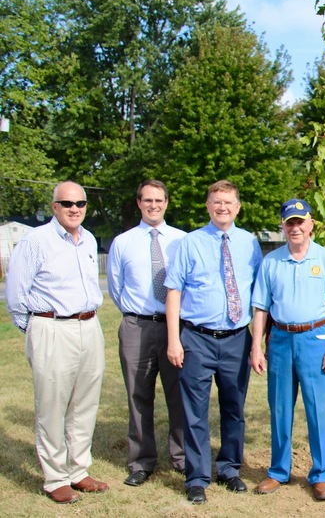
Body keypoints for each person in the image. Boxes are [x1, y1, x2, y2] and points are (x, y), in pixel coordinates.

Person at [5, 181, 108, 504]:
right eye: (67, 203)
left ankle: (78, 470)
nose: (74, 208)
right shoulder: (36, 241)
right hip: (51, 326)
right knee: (52, 404)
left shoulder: (88, 240)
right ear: (54, 207)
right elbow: (16, 295)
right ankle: (55, 478)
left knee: (84, 403)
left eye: (80, 203)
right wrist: (38, 330)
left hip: (89, 326)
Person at [165, 180, 262, 504]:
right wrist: (173, 340)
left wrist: (258, 342)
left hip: (236, 339)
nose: (222, 207)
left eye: (229, 202)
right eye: (216, 202)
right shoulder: (189, 243)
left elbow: (259, 296)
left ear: (238, 207)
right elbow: (174, 292)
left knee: (234, 409)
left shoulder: (250, 243)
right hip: (196, 339)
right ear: (208, 206)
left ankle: (230, 469)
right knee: (195, 412)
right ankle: (197, 477)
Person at [250, 198, 325, 501]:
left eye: (300, 222)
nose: (295, 228)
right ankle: (279, 471)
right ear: (282, 225)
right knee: (280, 408)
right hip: (280, 339)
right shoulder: (271, 261)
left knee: (319, 410)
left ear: (310, 225)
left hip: (317, 338)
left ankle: (322, 475)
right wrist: (256, 347)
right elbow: (260, 308)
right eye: (289, 222)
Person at [107, 179, 186, 486]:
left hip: (174, 327)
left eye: (159, 200)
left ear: (167, 203)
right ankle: (141, 461)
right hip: (136, 325)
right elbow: (116, 288)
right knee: (138, 395)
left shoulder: (182, 240)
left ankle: (181, 457)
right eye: (147, 200)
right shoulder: (122, 242)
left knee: (178, 393)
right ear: (139, 203)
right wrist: (136, 313)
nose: (154, 205)